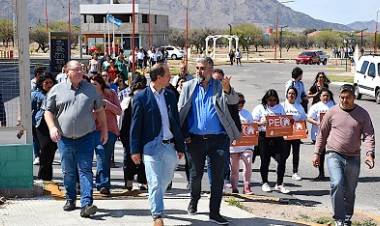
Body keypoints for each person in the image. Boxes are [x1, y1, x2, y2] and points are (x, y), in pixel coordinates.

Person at [178, 58, 240, 225]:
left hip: (218, 140)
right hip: (194, 140)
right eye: (197, 68)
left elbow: (234, 101)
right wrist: (183, 134)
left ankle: (214, 213)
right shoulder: (189, 87)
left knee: (218, 178)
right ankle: (194, 198)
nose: (199, 71)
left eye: (203, 68)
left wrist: (228, 90)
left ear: (211, 70)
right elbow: (180, 111)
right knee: (195, 175)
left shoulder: (220, 86)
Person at [44, 60, 108, 218]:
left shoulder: (91, 90)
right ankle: (70, 198)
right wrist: (52, 128)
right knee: (69, 172)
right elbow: (48, 112)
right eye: (77, 70)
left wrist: (104, 129)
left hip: (86, 137)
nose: (80, 72)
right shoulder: (56, 90)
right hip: (64, 139)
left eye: (82, 69)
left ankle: (87, 204)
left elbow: (99, 110)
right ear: (67, 72)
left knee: (85, 170)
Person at [130, 63, 185, 226]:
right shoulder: (141, 97)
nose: (170, 77)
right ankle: (157, 215)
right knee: (154, 181)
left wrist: (180, 146)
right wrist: (135, 150)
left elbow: (175, 122)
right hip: (151, 147)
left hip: (169, 146)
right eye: (168, 74)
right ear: (159, 77)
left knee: (165, 180)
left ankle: (155, 198)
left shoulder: (170, 95)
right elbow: (135, 125)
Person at [313, 84, 375, 226]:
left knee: (350, 190)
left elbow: (368, 134)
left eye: (348, 97)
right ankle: (339, 219)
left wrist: (369, 153)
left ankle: (347, 218)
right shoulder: (332, 112)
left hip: (354, 156)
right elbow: (322, 134)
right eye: (342, 97)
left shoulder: (362, 113)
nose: (344, 100)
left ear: (354, 97)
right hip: (334, 153)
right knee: (337, 183)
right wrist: (317, 153)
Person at [252, 89, 290, 194]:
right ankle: (265, 182)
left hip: (277, 136)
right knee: (265, 160)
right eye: (270, 100)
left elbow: (284, 119)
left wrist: (288, 122)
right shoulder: (260, 108)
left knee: (282, 159)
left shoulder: (280, 107)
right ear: (266, 99)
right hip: (264, 137)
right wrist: (261, 123)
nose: (272, 102)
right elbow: (252, 123)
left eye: (274, 100)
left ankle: (279, 184)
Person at [90, 75, 122, 195]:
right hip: (95, 130)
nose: (92, 86)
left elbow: (119, 111)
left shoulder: (111, 94)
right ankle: (103, 184)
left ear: (101, 85)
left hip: (111, 130)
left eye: (95, 84)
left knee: (106, 157)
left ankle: (103, 183)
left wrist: (107, 105)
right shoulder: (88, 96)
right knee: (101, 155)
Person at [211, 68, 242, 188]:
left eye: (220, 80)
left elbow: (233, 100)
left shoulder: (227, 92)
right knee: (211, 164)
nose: (218, 83)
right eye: (215, 80)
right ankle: (215, 186)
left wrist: (227, 88)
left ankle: (223, 181)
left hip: (223, 133)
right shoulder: (206, 92)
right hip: (206, 133)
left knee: (222, 159)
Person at [120, 75, 148, 191]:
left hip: (129, 132)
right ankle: (141, 181)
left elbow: (122, 119)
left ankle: (129, 181)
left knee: (129, 157)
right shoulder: (146, 98)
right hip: (142, 132)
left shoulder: (128, 99)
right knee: (143, 159)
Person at [32, 72, 57, 181]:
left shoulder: (57, 93)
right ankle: (42, 174)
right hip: (40, 125)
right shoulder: (35, 94)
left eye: (51, 82)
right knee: (45, 147)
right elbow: (28, 108)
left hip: (54, 124)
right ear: (41, 83)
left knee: (52, 149)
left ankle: (47, 175)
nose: (49, 85)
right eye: (46, 83)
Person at [307, 87, 335, 181]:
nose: (326, 97)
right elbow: (309, 118)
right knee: (320, 154)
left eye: (327, 95)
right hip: (318, 133)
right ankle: (321, 173)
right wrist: (317, 123)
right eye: (324, 95)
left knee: (333, 154)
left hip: (332, 134)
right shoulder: (316, 106)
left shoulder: (334, 105)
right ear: (320, 97)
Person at [230, 93, 254, 194]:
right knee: (234, 169)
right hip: (233, 145)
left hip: (246, 144)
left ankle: (247, 186)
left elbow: (252, 127)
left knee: (248, 162)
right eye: (238, 102)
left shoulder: (247, 113)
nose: (240, 104)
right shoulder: (229, 113)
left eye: (242, 102)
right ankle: (234, 188)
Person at [281, 86, 307, 181]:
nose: (291, 95)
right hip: (285, 134)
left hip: (296, 133)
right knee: (285, 153)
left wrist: (305, 129)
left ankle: (295, 172)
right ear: (287, 95)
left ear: (296, 96)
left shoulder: (299, 106)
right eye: (289, 93)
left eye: (293, 94)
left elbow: (303, 119)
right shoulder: (282, 106)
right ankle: (281, 169)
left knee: (296, 153)